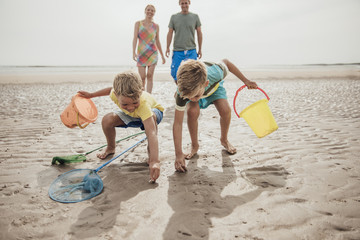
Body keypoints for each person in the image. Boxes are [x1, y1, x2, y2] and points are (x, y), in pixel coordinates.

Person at [172, 59, 258, 172]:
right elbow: (177, 123)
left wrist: (246, 81)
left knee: (225, 110)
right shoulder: (183, 93)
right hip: (194, 89)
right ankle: (194, 145)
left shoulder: (217, 72)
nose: (192, 99)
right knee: (192, 112)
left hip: (214, 89)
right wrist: (178, 154)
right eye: (190, 97)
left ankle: (224, 140)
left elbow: (227, 62)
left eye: (195, 97)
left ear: (206, 83)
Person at [78, 71, 164, 182]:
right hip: (133, 117)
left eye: (134, 102)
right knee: (107, 120)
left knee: (150, 124)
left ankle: (151, 155)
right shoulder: (114, 93)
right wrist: (91, 95)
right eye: (125, 104)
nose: (131, 107)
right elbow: (109, 90)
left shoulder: (143, 104)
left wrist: (155, 161)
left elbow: (152, 133)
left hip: (153, 113)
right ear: (116, 95)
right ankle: (110, 148)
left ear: (141, 92)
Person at [166, 0, 202, 82]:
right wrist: (167, 47)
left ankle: (190, 94)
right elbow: (170, 33)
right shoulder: (174, 17)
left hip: (191, 50)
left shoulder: (195, 17)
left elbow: (199, 33)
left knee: (193, 74)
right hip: (178, 50)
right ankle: (180, 92)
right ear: (179, 4)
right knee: (175, 74)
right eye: (182, 3)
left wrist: (200, 49)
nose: (184, 5)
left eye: (186, 3)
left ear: (189, 3)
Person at [133, 4, 166, 93]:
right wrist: (133, 52)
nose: (150, 12)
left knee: (150, 75)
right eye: (148, 10)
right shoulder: (138, 24)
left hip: (153, 53)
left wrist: (162, 56)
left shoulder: (156, 26)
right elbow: (135, 38)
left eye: (152, 10)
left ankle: (149, 95)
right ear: (145, 11)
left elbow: (157, 41)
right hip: (141, 53)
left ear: (154, 13)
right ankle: (142, 94)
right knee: (142, 77)